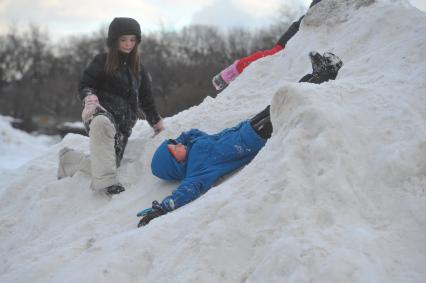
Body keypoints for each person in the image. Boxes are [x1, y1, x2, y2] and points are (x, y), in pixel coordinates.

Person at [137, 51, 343, 227]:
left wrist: (179, 140)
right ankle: (326, 74)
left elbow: (191, 133)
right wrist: (162, 209)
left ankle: (316, 75)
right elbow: (186, 191)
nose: (178, 144)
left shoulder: (195, 144)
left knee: (282, 99)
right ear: (176, 163)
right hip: (253, 139)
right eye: (174, 149)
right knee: (288, 103)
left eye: (174, 143)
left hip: (247, 127)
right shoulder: (197, 169)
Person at [58, 17, 164, 196]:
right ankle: (108, 184)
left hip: (122, 127)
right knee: (102, 123)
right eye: (123, 39)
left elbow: (146, 99)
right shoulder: (102, 61)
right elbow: (85, 84)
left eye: (132, 39)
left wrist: (155, 121)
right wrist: (89, 97)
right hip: (100, 113)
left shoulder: (139, 70)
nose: (128, 44)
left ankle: (68, 160)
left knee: (108, 165)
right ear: (114, 40)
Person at [212, 0, 323, 91]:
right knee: (271, 57)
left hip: (308, 34)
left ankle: (229, 74)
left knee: (273, 57)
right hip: (296, 35)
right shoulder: (319, 9)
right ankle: (228, 74)